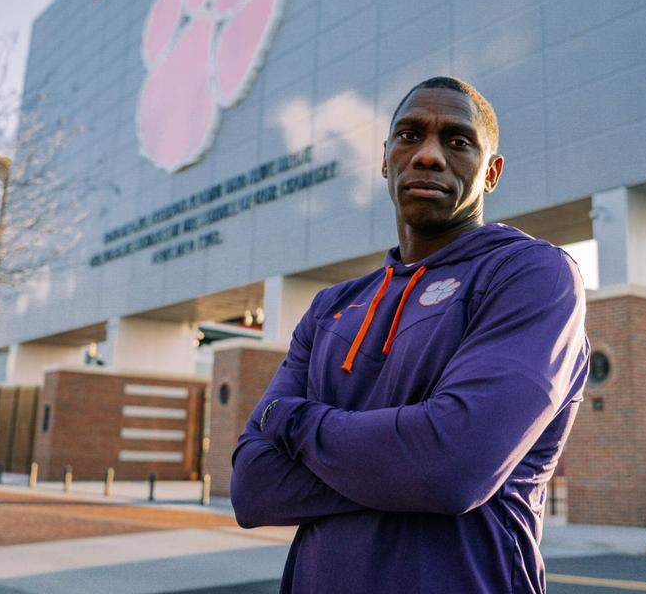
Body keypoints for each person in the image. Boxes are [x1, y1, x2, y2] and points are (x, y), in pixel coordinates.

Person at [231, 76, 590, 593]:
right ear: (384, 159)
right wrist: (404, 460)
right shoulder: (330, 306)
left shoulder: (531, 275)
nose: (428, 155)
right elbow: (253, 488)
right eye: (409, 135)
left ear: (491, 173)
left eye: (457, 141)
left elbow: (451, 467)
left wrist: (291, 419)